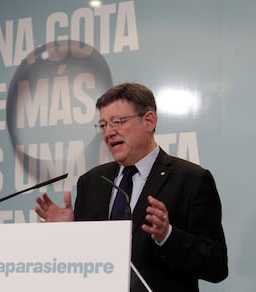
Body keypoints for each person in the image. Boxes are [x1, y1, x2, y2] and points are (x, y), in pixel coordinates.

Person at [35, 83, 228, 292]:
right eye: (103, 125)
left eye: (117, 122)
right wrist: (71, 233)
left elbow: (217, 266)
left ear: (149, 121)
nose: (108, 132)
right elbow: (84, 264)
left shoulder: (191, 179)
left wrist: (168, 236)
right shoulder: (91, 182)